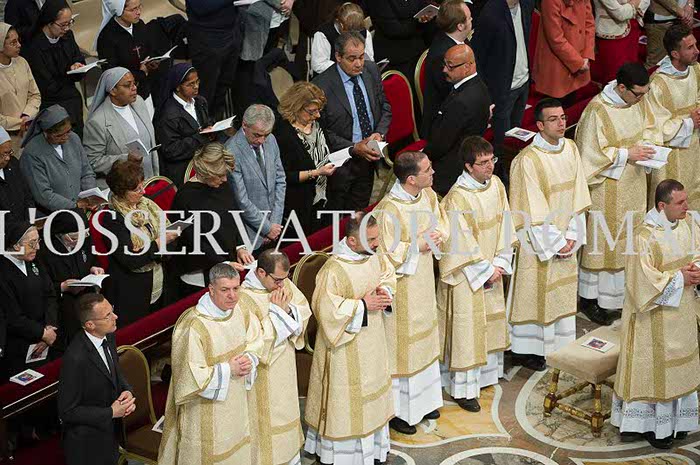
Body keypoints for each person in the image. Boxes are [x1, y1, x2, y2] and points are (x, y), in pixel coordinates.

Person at [612, 179, 700, 449]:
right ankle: (654, 427)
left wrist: (696, 270)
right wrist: (680, 278)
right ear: (662, 206)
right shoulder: (643, 236)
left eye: (686, 200)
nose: (686, 206)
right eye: (680, 202)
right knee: (655, 373)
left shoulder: (687, 224)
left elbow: (696, 252)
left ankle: (679, 421)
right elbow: (641, 282)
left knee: (680, 368)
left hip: (683, 312)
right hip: (652, 318)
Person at [304, 212, 396, 465]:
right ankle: (343, 456)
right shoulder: (334, 269)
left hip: (373, 342)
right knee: (347, 403)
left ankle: (372, 450)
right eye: (371, 239)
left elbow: (387, 274)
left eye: (377, 238)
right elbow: (324, 309)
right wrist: (362, 306)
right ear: (352, 241)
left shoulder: (373, 255)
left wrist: (385, 291)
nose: (377, 243)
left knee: (373, 393)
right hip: (344, 349)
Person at [508, 98, 591, 371]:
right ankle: (528, 350)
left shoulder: (571, 148)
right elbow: (531, 208)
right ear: (540, 125)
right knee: (535, 291)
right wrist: (557, 242)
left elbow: (579, 193)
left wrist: (574, 234)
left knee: (561, 292)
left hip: (567, 234)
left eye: (563, 117)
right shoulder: (527, 160)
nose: (561, 123)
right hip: (539, 241)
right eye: (553, 119)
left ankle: (559, 343)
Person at [437, 136, 516, 413]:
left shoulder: (496, 185)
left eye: (491, 160)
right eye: (482, 163)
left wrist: (501, 261)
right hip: (468, 276)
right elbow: (459, 243)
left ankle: (486, 377)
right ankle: (464, 389)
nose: (489, 167)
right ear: (468, 166)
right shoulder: (456, 198)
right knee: (467, 332)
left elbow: (506, 222)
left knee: (489, 325)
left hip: (493, 267)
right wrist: (486, 270)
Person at [158, 263, 263, 465]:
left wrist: (250, 357)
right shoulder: (193, 325)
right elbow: (187, 376)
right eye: (225, 290)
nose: (232, 296)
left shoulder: (241, 310)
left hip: (238, 402)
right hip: (204, 410)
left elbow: (255, 339)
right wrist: (228, 369)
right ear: (211, 289)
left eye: (236, 288)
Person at [375, 151, 448, 435]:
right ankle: (400, 412)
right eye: (427, 170)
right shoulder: (387, 211)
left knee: (425, 342)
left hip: (424, 282)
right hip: (402, 289)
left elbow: (441, 223)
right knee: (403, 349)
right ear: (411, 179)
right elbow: (384, 255)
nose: (433, 173)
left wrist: (438, 235)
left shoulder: (427, 195)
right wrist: (418, 244)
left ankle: (425, 401)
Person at [576, 62, 652, 326]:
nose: (641, 99)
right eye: (637, 94)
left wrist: (649, 149)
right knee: (605, 242)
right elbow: (588, 154)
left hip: (633, 182)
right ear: (621, 88)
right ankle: (592, 300)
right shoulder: (597, 111)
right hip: (606, 187)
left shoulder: (635, 101)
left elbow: (646, 128)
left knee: (628, 239)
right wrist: (625, 154)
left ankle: (620, 296)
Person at [240, 250, 311, 465]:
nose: (282, 285)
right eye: (277, 280)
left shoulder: (282, 283)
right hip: (264, 373)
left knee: (287, 415)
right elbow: (250, 343)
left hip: (285, 367)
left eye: (284, 279)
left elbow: (303, 309)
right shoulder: (244, 298)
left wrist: (288, 311)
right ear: (261, 272)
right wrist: (279, 314)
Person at [312, 32, 392, 210]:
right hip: (340, 164)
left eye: (361, 57)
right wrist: (353, 147)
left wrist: (379, 133)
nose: (359, 63)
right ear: (338, 57)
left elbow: (384, 107)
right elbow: (321, 131)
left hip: (369, 158)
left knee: (359, 212)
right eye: (352, 58)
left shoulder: (371, 70)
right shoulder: (321, 86)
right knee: (337, 216)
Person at [57, 293, 135, 465]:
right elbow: (67, 411)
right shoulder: (75, 358)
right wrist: (111, 412)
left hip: (110, 434)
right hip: (87, 446)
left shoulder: (108, 336)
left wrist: (127, 390)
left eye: (112, 310)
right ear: (90, 325)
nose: (115, 316)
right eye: (108, 315)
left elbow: (115, 373)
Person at [101, 158, 178, 326]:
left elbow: (171, 240)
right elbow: (131, 259)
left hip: (160, 278)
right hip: (133, 290)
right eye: (137, 189)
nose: (143, 191)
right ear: (122, 192)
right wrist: (159, 243)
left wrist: (163, 244)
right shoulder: (111, 219)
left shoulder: (147, 205)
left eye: (142, 185)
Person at [171, 143, 253, 297]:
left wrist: (240, 246)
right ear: (206, 173)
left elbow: (234, 216)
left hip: (229, 262)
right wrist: (223, 263)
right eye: (220, 175)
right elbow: (193, 241)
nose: (224, 179)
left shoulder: (221, 186)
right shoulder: (185, 198)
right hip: (199, 272)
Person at [471, 0, 534, 183]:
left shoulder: (527, 5)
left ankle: (517, 176)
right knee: (502, 145)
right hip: (502, 91)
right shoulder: (491, 14)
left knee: (515, 141)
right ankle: (502, 183)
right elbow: (479, 56)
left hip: (523, 82)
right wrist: (486, 95)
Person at [644, 24, 700, 211]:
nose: (697, 51)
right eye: (690, 47)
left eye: (695, 45)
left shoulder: (696, 70)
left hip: (695, 147)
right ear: (675, 54)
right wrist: (688, 123)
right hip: (672, 154)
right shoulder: (658, 83)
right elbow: (654, 127)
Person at [424, 44, 491, 197]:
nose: (444, 70)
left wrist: (425, 154)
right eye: (445, 64)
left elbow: (442, 143)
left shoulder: (461, 101)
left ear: (467, 67)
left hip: (450, 170)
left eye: (450, 66)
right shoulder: (479, 86)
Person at [273, 82, 336, 234]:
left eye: (319, 110)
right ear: (296, 107)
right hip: (299, 205)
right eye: (312, 111)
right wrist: (317, 172)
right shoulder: (282, 134)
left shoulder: (317, 123)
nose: (317, 115)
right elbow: (283, 176)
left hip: (325, 197)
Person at [38, 210, 105, 350]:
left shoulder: (84, 239)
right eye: (74, 238)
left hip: (87, 302)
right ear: (59, 234)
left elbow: (93, 259)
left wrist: (94, 268)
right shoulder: (43, 252)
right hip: (63, 310)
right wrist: (62, 287)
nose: (79, 241)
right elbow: (40, 286)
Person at [0, 222, 58, 379]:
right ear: (16, 245)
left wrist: (50, 327)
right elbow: (12, 317)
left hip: (45, 340)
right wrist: (42, 333)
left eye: (38, 241)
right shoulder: (3, 272)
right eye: (32, 243)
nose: (37, 247)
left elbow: (50, 295)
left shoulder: (33, 261)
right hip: (17, 348)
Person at [84, 67, 158, 188]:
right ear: (113, 90)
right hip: (123, 188)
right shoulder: (97, 122)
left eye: (134, 83)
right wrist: (125, 159)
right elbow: (93, 161)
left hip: (150, 181)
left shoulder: (139, 102)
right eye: (127, 85)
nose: (134, 88)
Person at [226, 104, 286, 251]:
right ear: (244, 125)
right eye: (257, 135)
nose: (261, 140)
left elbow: (280, 180)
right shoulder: (231, 150)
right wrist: (266, 228)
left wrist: (274, 223)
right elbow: (241, 199)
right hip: (250, 233)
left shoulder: (271, 140)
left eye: (266, 134)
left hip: (275, 227)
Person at [23, 0, 87, 138]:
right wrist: (69, 75)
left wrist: (77, 65)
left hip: (70, 94)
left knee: (75, 103)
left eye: (70, 23)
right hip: (50, 100)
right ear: (49, 22)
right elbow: (46, 85)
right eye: (63, 24)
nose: (67, 28)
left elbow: (78, 57)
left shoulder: (68, 36)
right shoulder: (34, 47)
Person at [19, 105, 97, 216]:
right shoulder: (32, 153)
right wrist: (74, 205)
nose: (66, 137)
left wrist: (91, 197)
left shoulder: (74, 139)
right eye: (59, 135)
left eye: (68, 131)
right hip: (52, 214)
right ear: (46, 132)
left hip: (83, 207)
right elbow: (43, 195)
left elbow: (86, 172)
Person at [96, 0, 166, 113]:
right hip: (124, 96)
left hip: (145, 87)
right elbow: (112, 73)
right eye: (133, 9)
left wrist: (152, 61)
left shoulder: (139, 25)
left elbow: (149, 49)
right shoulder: (107, 37)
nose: (138, 12)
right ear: (119, 11)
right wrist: (141, 73)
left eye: (139, 7)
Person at [155, 64, 215, 187]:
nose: (196, 86)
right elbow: (171, 150)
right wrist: (201, 137)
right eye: (190, 84)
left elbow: (205, 122)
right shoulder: (168, 114)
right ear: (178, 87)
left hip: (203, 162)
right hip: (182, 171)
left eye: (197, 82)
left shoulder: (200, 101)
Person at [420, 0, 472, 139]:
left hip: (460, 114)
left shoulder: (463, 42)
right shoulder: (441, 55)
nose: (472, 20)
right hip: (443, 127)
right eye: (469, 18)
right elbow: (452, 94)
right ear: (460, 26)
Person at [185, 0, 244, 119]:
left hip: (231, 31)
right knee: (205, 90)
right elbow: (199, 6)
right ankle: (202, 124)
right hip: (206, 37)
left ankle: (216, 122)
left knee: (224, 83)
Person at [532, 0, 595, 105]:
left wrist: (586, 55)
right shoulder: (550, 2)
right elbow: (556, 39)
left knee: (570, 104)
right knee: (555, 106)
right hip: (556, 64)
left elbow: (589, 25)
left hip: (579, 61)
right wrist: (578, 62)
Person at [365, 0, 435, 84]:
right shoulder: (378, 2)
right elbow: (393, 29)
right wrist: (418, 22)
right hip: (395, 57)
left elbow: (423, 6)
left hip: (418, 50)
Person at [0, 23, 41, 156]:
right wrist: (18, 123)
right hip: (6, 138)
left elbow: (35, 94)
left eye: (18, 40)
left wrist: (27, 115)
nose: (19, 45)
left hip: (29, 128)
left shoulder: (22, 62)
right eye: (13, 42)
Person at [590, 0, 648, 84]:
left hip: (633, 28)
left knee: (631, 72)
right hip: (611, 33)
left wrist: (635, 6)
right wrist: (635, 4)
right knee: (614, 76)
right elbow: (620, 14)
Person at [311, 2, 375, 75]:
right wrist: (344, 66)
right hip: (330, 78)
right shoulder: (323, 34)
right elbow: (318, 64)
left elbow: (369, 60)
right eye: (348, 30)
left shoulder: (364, 33)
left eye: (356, 31)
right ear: (340, 24)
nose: (352, 35)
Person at [644, 0, 693, 69]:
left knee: (686, 60)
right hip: (660, 21)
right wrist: (683, 14)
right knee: (656, 64)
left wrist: (690, 4)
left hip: (684, 19)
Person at [0, 127, 34, 222]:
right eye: (4, 154)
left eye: (9, 153)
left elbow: (28, 198)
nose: (7, 158)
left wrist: (31, 223)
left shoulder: (13, 163)